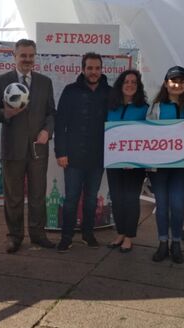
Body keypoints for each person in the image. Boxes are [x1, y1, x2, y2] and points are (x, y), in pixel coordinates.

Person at [0, 39, 56, 253]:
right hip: (13, 149)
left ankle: (38, 234)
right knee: (13, 196)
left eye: (31, 56)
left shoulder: (45, 82)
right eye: (23, 55)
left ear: (35, 56)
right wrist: (5, 113)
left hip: (38, 149)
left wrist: (47, 131)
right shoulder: (1, 81)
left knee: (38, 195)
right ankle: (14, 236)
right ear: (14, 56)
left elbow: (51, 113)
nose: (27, 60)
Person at [54, 52, 112, 252]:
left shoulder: (110, 93)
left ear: (101, 69)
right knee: (70, 199)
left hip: (99, 157)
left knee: (91, 198)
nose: (93, 72)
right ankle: (66, 237)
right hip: (73, 157)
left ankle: (88, 234)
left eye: (97, 68)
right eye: (90, 68)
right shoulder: (70, 91)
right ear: (83, 69)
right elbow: (60, 123)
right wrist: (60, 153)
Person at [147, 66, 184, 264]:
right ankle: (162, 243)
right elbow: (146, 132)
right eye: (173, 81)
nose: (177, 85)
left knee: (177, 206)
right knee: (161, 206)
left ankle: (176, 243)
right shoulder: (156, 106)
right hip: (159, 166)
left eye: (181, 81)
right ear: (166, 83)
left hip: (182, 166)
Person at [105, 70, 148, 253]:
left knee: (131, 199)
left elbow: (149, 137)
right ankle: (120, 232)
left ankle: (129, 236)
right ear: (120, 85)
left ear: (138, 87)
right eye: (126, 81)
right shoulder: (111, 107)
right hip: (114, 161)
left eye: (134, 82)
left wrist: (137, 159)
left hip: (135, 164)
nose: (129, 85)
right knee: (116, 198)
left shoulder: (145, 109)